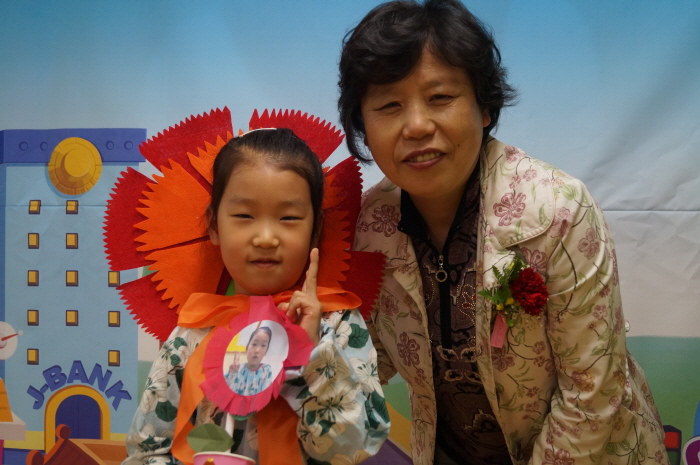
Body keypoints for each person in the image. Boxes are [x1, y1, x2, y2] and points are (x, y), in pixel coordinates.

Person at [341, 1, 669, 464]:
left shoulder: (558, 211)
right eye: (389, 105)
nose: (416, 125)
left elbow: (591, 393)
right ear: (363, 124)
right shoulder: (366, 226)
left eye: (440, 97)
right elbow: (369, 362)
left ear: (484, 106)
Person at [123, 128, 389, 464]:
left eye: (288, 218)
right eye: (244, 216)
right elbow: (146, 450)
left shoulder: (338, 323)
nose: (265, 237)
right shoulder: (193, 331)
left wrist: (314, 356)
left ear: (315, 231)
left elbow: (353, 449)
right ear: (214, 227)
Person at [225, 327, 274, 396]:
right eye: (254, 344)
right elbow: (227, 392)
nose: (257, 350)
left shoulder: (266, 370)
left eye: (263, 345)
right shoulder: (238, 369)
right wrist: (232, 373)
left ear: (266, 351)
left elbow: (265, 395)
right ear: (247, 347)